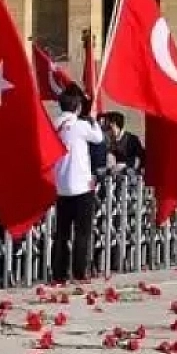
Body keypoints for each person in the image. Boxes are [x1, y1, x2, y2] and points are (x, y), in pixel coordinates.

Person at [50, 86, 103, 283]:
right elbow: (98, 138)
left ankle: (59, 273)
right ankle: (79, 272)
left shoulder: (54, 125)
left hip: (61, 186)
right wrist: (94, 120)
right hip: (81, 186)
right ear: (77, 107)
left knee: (62, 232)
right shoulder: (80, 125)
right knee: (82, 232)